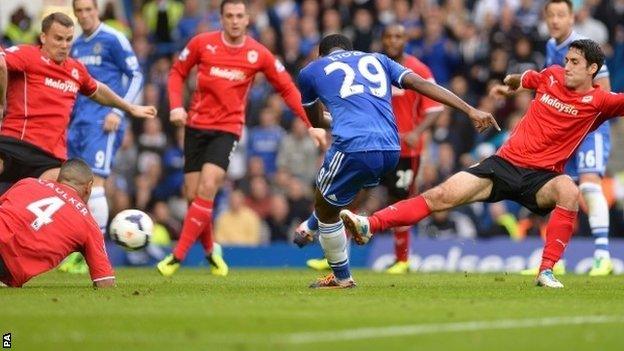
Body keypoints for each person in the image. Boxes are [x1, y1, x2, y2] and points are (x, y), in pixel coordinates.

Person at [341, 39, 624, 288]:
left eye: (575, 62)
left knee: (569, 191)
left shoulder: (600, 100)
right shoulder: (551, 76)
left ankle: (546, 270)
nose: (567, 67)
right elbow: (526, 78)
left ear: (592, 69)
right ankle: (369, 224)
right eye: (566, 60)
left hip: (543, 177)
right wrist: (508, 85)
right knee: (439, 195)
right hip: (503, 164)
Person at [297, 34, 497, 289]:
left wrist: (339, 119)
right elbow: (422, 84)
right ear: (352, 50)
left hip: (354, 147)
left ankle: (340, 275)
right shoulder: (379, 59)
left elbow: (315, 121)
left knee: (325, 205)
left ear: (321, 55)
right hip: (393, 149)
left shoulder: (311, 70)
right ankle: (335, 227)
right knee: (350, 195)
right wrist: (470, 109)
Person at [157, 0, 326, 277]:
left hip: (227, 128)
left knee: (208, 186)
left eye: (239, 16)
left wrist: (311, 124)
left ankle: (177, 256)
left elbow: (287, 89)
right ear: (221, 19)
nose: (235, 21)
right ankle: (212, 251)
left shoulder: (257, 54)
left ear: (248, 20)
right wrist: (176, 105)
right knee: (194, 198)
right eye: (229, 16)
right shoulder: (202, 43)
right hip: (196, 126)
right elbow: (177, 72)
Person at [298, 24, 445, 275]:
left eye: (398, 36)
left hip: (405, 149)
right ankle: (334, 251)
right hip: (380, 144)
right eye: (388, 36)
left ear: (406, 40)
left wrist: (417, 133)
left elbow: (434, 108)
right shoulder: (372, 65)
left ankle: (401, 259)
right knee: (351, 199)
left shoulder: (417, 69)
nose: (393, 41)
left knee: (399, 199)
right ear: (382, 39)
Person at [0, 13, 155, 191]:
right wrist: (1, 102)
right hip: (17, 142)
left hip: (50, 157)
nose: (64, 45)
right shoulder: (27, 54)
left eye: (68, 39)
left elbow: (97, 90)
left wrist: (129, 107)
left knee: (72, 190)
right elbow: (1, 63)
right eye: (58, 39)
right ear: (43, 37)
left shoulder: (76, 69)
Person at [58, 0, 145, 273]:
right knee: (74, 187)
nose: (84, 15)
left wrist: (119, 114)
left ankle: (94, 256)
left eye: (88, 10)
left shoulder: (113, 38)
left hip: (104, 121)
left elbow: (136, 75)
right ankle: (76, 251)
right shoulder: (75, 44)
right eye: (79, 11)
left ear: (98, 11)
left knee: (95, 184)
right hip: (78, 123)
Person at [534, 0, 614, 276]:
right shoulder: (551, 46)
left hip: (590, 130)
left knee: (590, 186)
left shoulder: (584, 47)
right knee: (555, 190)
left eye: (561, 15)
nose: (555, 20)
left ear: (572, 18)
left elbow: (605, 92)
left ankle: (603, 256)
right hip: (563, 132)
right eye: (551, 15)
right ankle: (556, 259)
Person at [0, 159, 115, 288]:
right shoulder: (89, 224)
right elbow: (105, 281)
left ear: (59, 178)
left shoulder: (27, 183)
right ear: (89, 187)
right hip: (7, 266)